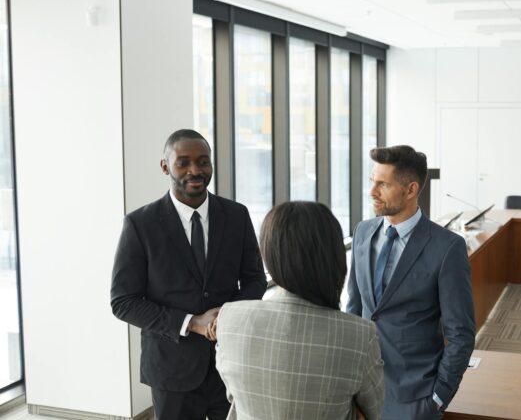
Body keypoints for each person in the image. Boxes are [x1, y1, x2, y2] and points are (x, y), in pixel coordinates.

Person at [111, 129, 267, 420]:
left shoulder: (236, 215)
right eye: (183, 162)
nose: (195, 170)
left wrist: (225, 315)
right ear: (165, 166)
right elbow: (123, 301)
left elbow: (255, 278)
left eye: (203, 161)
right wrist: (192, 323)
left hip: (230, 362)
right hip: (171, 369)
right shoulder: (140, 224)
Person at [215, 202, 385, 420]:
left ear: (269, 253)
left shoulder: (230, 319)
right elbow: (374, 410)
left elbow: (234, 395)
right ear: (332, 256)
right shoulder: (360, 335)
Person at [347, 145, 475, 420]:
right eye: (373, 181)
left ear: (411, 190)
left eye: (383, 184)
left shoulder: (447, 247)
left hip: (415, 399)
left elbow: (460, 334)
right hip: (360, 393)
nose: (372, 192)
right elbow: (353, 311)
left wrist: (438, 397)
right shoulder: (362, 232)